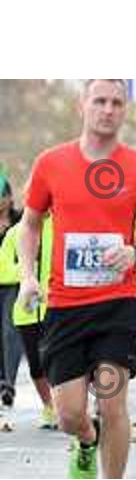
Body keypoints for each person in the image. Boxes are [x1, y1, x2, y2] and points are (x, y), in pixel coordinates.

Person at [18, 79, 136, 479]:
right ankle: (87, 440)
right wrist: (27, 277)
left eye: (117, 103)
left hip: (117, 305)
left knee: (111, 402)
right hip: (65, 307)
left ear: (125, 111)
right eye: (100, 101)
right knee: (70, 414)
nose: (108, 109)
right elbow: (30, 224)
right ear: (82, 106)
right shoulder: (51, 163)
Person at [0, 204, 56, 428]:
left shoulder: (62, 228)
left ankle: (65, 406)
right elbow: (2, 270)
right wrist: (26, 271)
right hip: (27, 310)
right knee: (36, 365)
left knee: (60, 360)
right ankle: (50, 407)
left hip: (58, 307)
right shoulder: (16, 232)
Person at [0, 174, 23, 409]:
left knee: (10, 332)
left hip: (13, 284)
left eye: (2, 197)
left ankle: (9, 382)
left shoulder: (20, 220)